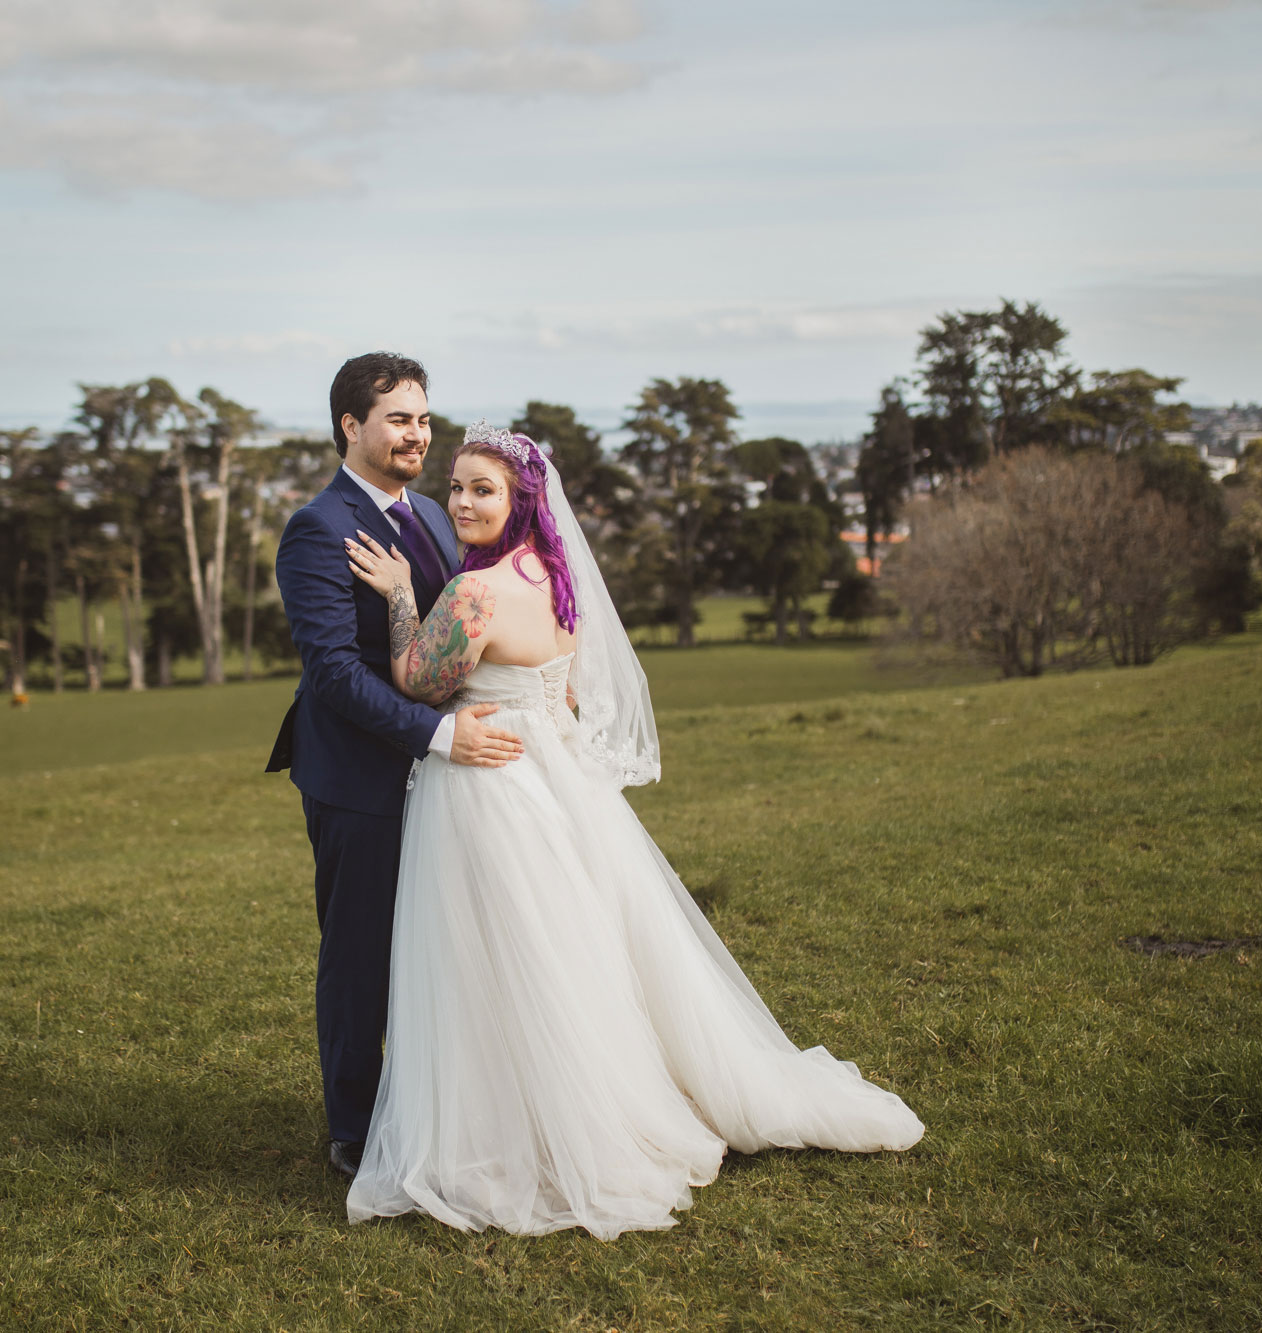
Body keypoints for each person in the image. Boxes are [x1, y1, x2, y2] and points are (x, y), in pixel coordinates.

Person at [335, 421, 925, 1239]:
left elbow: (415, 681)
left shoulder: (475, 593)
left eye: (482, 488)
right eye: (458, 484)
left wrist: (401, 593)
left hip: (488, 781)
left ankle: (520, 1125)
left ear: (520, 500)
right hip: (555, 776)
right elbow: (563, 690)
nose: (462, 501)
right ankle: (568, 1100)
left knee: (493, 957)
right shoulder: (554, 571)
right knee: (567, 952)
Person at [268, 353, 527, 1180]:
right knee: (361, 954)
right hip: (359, 778)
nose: (418, 434)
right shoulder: (319, 526)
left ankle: (428, 1102)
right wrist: (440, 736)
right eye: (399, 419)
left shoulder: (429, 515)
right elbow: (335, 674)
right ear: (352, 425)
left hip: (441, 780)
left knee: (435, 945)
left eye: (423, 418)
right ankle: (353, 1126)